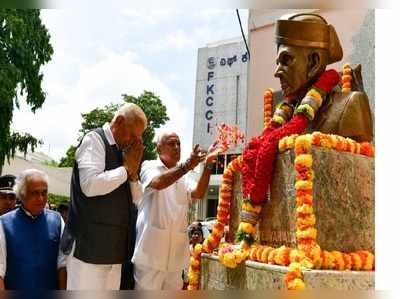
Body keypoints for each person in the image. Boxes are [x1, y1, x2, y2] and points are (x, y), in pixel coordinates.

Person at [62, 103, 147, 290]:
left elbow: (137, 199)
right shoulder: (94, 140)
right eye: (132, 135)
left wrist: (133, 175)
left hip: (113, 254)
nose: (134, 142)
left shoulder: (124, 152)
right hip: (88, 252)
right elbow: (90, 185)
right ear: (119, 121)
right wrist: (125, 170)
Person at [133, 132, 220, 290]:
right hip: (150, 257)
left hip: (175, 259)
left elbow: (199, 193)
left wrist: (208, 164)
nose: (176, 147)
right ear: (159, 149)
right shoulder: (149, 166)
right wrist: (186, 166)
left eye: (178, 144)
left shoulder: (184, 175)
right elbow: (158, 183)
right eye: (171, 143)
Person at [273, 13, 373, 142]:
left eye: (286, 60)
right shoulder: (284, 116)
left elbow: (361, 159)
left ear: (314, 62)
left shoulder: (349, 105)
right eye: (278, 63)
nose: (277, 72)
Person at [0, 169, 66, 290]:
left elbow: (63, 266)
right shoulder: (3, 224)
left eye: (44, 192)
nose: (40, 198)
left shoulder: (57, 221)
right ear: (22, 194)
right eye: (34, 193)